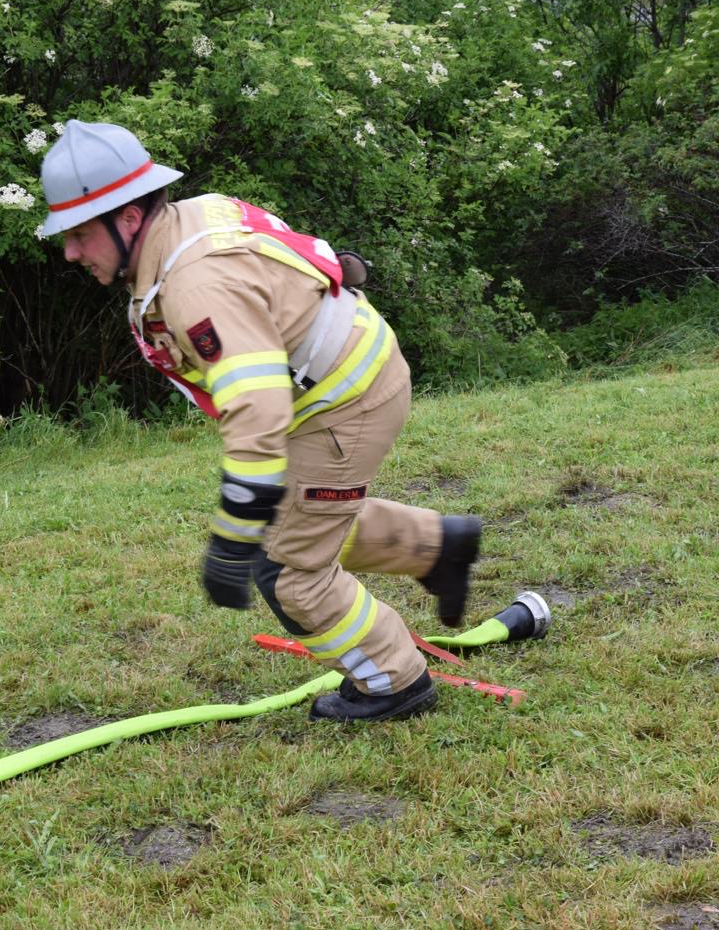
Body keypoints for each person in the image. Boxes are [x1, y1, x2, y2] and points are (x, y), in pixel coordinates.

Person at [37, 120, 480, 721]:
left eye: (80, 233)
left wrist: (233, 535)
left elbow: (258, 410)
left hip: (341, 404)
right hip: (344, 379)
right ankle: (437, 548)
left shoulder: (196, 286)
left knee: (289, 574)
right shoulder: (189, 219)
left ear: (130, 218)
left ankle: (394, 682)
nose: (70, 252)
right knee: (301, 522)